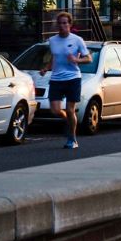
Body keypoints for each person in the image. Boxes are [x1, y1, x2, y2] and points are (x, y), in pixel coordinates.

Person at [44, 11, 92, 150]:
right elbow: (54, 57)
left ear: (70, 24)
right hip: (56, 78)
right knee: (55, 110)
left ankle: (72, 138)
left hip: (73, 78)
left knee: (70, 110)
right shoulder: (52, 40)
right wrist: (46, 68)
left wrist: (76, 60)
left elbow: (89, 58)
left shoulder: (77, 40)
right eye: (59, 23)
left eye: (65, 23)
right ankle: (69, 121)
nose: (62, 26)